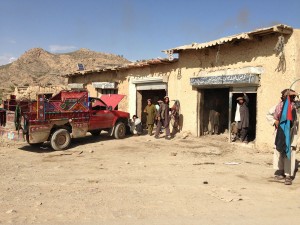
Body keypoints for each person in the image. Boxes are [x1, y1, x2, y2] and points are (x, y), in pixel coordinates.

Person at [266, 89, 298, 185]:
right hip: (280, 132)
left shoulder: (296, 106)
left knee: (289, 152)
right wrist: (275, 122)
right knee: (279, 151)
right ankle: (280, 172)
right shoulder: (278, 106)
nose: (291, 98)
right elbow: (268, 115)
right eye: (289, 96)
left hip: (292, 134)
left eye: (292, 97)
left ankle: (288, 175)